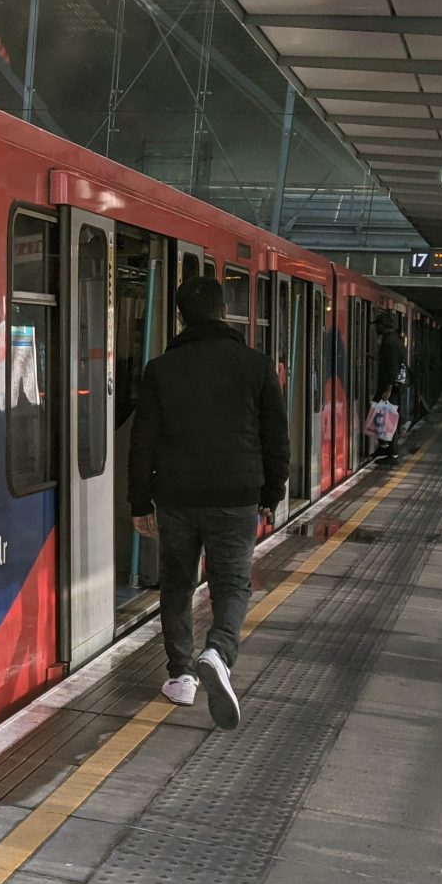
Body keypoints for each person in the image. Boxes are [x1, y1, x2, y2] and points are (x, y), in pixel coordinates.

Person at [129, 274, 288, 730]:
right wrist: (271, 494)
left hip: (176, 497)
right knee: (232, 584)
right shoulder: (256, 366)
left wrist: (140, 502)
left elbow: (144, 443)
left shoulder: (160, 369)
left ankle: (180, 675)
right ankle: (218, 651)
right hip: (237, 496)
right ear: (224, 312)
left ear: (180, 317)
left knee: (177, 583)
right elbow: (276, 439)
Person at [373, 312, 405, 463]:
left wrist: (388, 389)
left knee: (387, 418)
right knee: (383, 416)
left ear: (383, 326)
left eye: (378, 325)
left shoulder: (390, 342)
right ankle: (386, 448)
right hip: (390, 385)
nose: (376, 328)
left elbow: (392, 367)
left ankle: (392, 454)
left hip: (388, 386)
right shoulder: (394, 340)